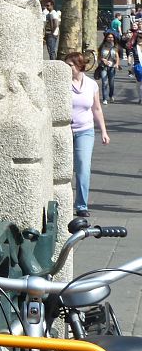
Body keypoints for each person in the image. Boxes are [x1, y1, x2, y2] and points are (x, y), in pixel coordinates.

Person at [65, 51, 110, 218]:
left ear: (79, 66)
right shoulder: (62, 84)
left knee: (83, 167)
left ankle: (81, 205)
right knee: (65, 168)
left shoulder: (91, 85)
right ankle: (61, 202)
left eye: (70, 65)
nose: (67, 68)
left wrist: (103, 131)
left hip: (85, 131)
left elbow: (96, 109)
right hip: (65, 131)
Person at [96, 31, 120, 104]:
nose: (110, 38)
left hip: (112, 67)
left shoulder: (115, 47)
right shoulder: (102, 46)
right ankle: (104, 98)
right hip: (103, 66)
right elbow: (99, 56)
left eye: (112, 37)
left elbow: (117, 56)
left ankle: (111, 95)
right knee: (104, 82)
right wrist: (102, 59)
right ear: (106, 38)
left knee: (111, 83)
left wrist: (117, 64)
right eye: (109, 37)